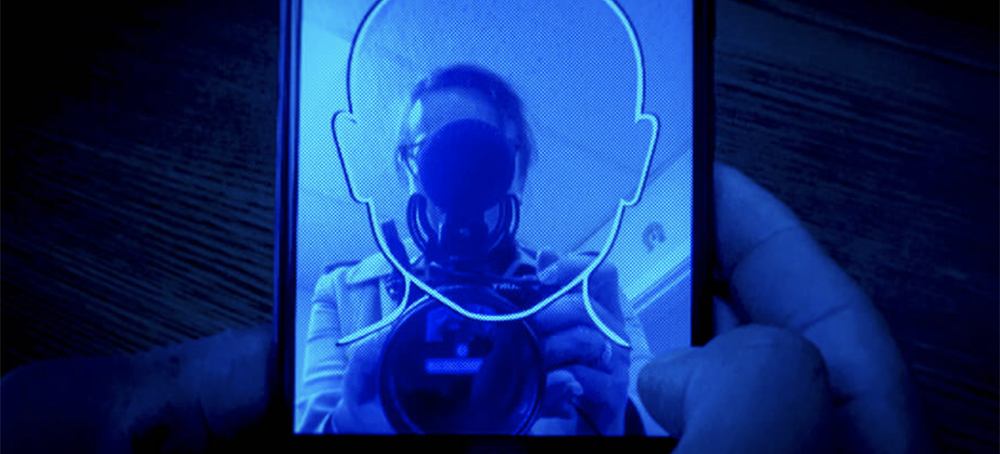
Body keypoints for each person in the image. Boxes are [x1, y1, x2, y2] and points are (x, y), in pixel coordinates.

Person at [0, 162, 933, 453]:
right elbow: (317, 422)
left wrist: (614, 411)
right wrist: (360, 421)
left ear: (513, 189)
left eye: (483, 175)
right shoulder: (344, 294)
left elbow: (664, 410)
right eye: (435, 169)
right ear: (407, 180)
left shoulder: (578, 291)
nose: (458, 208)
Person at [296, 64, 643, 436]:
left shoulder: (586, 292)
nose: (459, 176)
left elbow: (665, 431)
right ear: (408, 172)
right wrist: (347, 429)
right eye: (433, 151)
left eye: (479, 151)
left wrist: (615, 421)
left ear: (517, 172)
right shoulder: (343, 292)